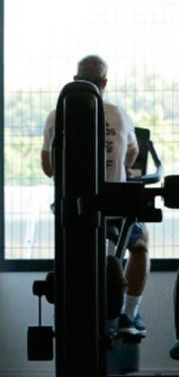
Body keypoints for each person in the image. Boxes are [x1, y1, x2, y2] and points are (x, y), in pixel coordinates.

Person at [41, 55, 150, 339]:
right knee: (140, 247)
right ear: (104, 83)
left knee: (69, 244)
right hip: (112, 206)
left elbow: (48, 168)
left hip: (71, 209)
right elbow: (133, 154)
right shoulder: (118, 113)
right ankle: (130, 313)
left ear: (75, 80)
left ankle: (67, 308)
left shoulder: (57, 114)